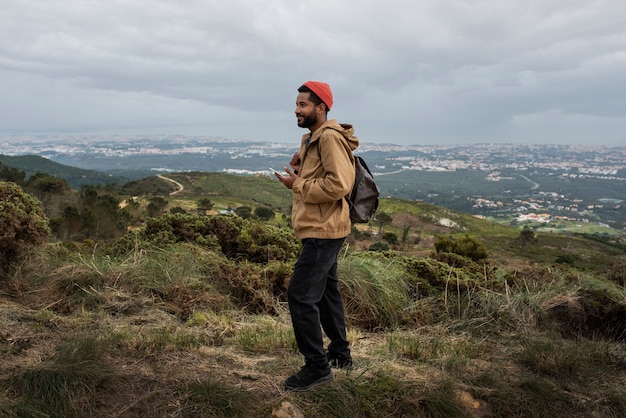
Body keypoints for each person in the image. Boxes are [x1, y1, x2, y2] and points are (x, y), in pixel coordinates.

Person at [274, 80, 357, 392]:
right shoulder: (311, 139)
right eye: (296, 104)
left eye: (303, 105)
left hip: (324, 230)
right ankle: (340, 355)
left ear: (320, 108)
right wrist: (300, 169)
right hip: (320, 227)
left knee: (300, 294)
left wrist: (296, 185)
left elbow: (339, 185)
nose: (297, 109)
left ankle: (317, 367)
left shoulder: (329, 139)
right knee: (325, 293)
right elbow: (320, 177)